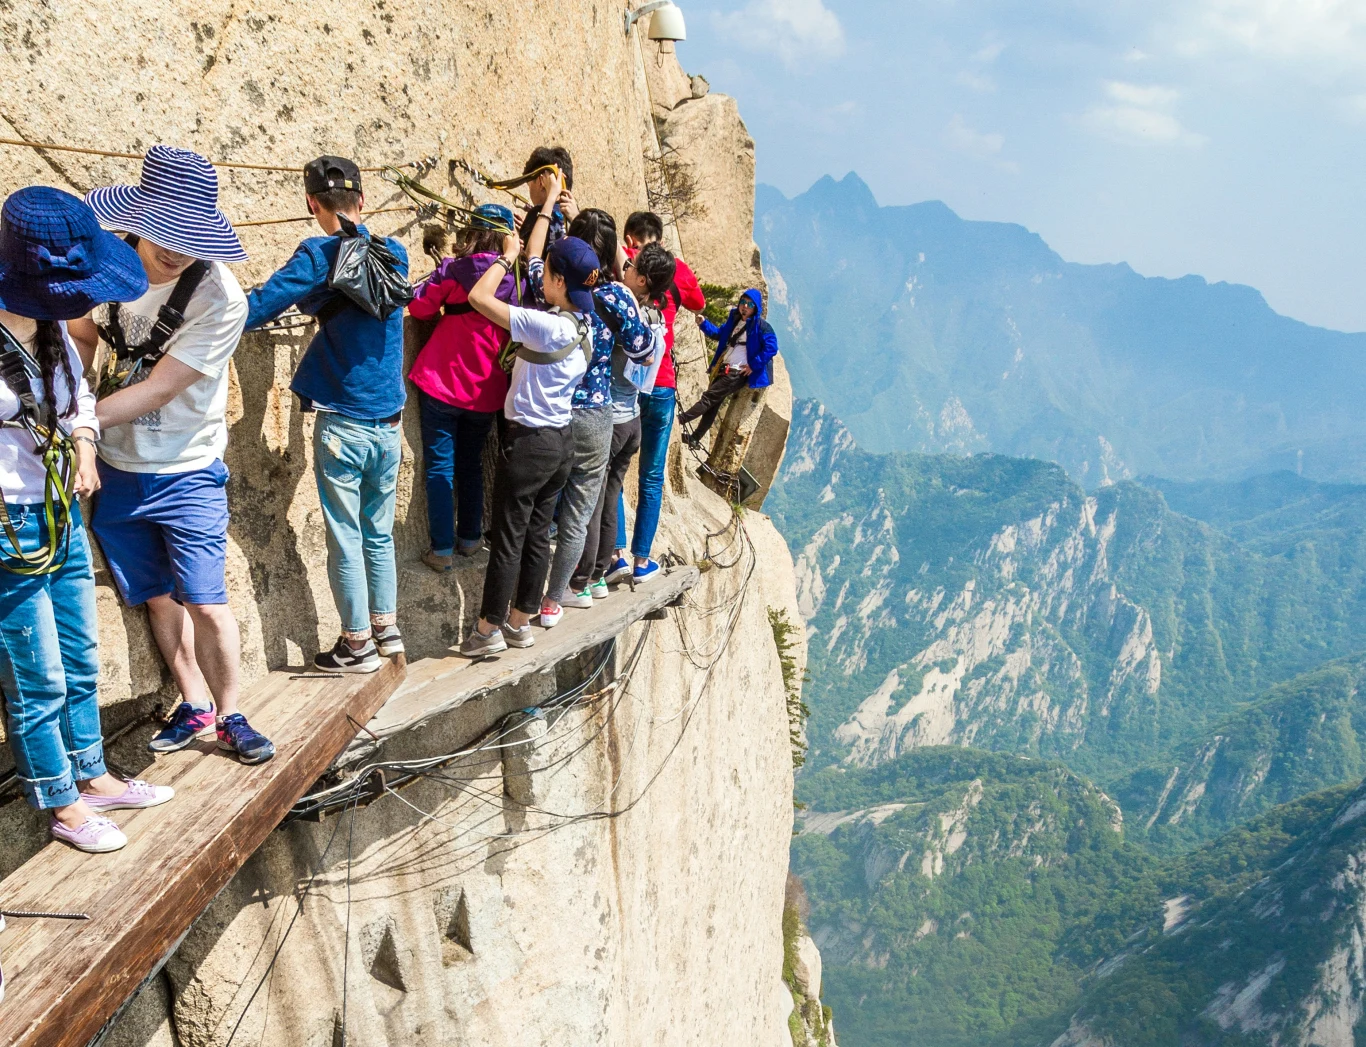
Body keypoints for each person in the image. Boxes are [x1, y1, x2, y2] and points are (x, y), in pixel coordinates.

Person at [70, 145, 274, 764]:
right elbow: (82, 332)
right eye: (165, 229)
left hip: (186, 466)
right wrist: (74, 393)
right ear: (139, 215)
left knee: (206, 599)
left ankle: (232, 714)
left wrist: (72, 421)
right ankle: (193, 701)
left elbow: (161, 386)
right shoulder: (104, 255)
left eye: (190, 235)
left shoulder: (219, 298)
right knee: (157, 595)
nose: (174, 247)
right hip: (116, 465)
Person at [0, 185, 175, 854]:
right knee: (36, 668)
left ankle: (92, 771)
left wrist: (81, 445)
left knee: (77, 651)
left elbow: (77, 400)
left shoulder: (51, 330)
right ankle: (62, 801)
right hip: (10, 524)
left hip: (60, 509)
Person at [244, 156, 410, 674]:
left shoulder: (319, 253)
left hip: (344, 423)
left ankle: (356, 643)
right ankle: (387, 629)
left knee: (345, 534)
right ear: (361, 200)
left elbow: (263, 305)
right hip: (389, 423)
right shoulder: (396, 253)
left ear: (312, 203)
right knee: (377, 533)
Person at [456, 229, 602, 657]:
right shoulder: (582, 323)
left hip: (530, 443)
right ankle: (521, 622)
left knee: (508, 538)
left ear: (558, 282)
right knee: (538, 535)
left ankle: (486, 631)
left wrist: (506, 258)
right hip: (561, 442)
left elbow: (479, 300)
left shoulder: (545, 326)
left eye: (549, 275)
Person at [535, 205, 653, 628]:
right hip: (598, 411)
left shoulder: (557, 285)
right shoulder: (619, 296)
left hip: (552, 406)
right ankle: (556, 599)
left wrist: (548, 212)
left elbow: (536, 265)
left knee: (542, 504)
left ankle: (525, 601)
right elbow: (642, 349)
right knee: (580, 510)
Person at [563, 243, 676, 612]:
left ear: (641, 278)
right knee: (610, 496)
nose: (625, 267)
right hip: (632, 421)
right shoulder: (653, 315)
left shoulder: (616, 304)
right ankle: (599, 575)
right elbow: (623, 263)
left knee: (590, 502)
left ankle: (582, 580)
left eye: (633, 267)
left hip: (608, 417)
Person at [407, 204, 521, 570]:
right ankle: (469, 538)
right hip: (487, 390)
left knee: (440, 466)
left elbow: (422, 310)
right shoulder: (516, 282)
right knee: (471, 464)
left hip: (443, 380)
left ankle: (441, 549)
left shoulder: (453, 270)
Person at [609, 211, 706, 585]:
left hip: (630, 386)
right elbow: (697, 303)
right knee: (651, 476)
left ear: (631, 239)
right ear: (660, 239)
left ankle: (615, 553)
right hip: (662, 383)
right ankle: (641, 560)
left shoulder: (628, 267)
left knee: (615, 468)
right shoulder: (675, 270)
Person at [681, 288, 779, 446]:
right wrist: (704, 323)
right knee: (713, 405)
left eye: (749, 304)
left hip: (736, 372)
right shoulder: (735, 319)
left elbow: (772, 348)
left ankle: (679, 420)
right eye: (743, 302)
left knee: (708, 398)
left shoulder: (762, 327)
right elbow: (720, 334)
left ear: (756, 307)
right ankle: (695, 438)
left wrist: (753, 365)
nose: (745, 307)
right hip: (724, 368)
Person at [516, 146, 577, 256]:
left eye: (530, 185)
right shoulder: (577, 220)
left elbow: (528, 261)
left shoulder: (536, 213)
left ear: (541, 181)